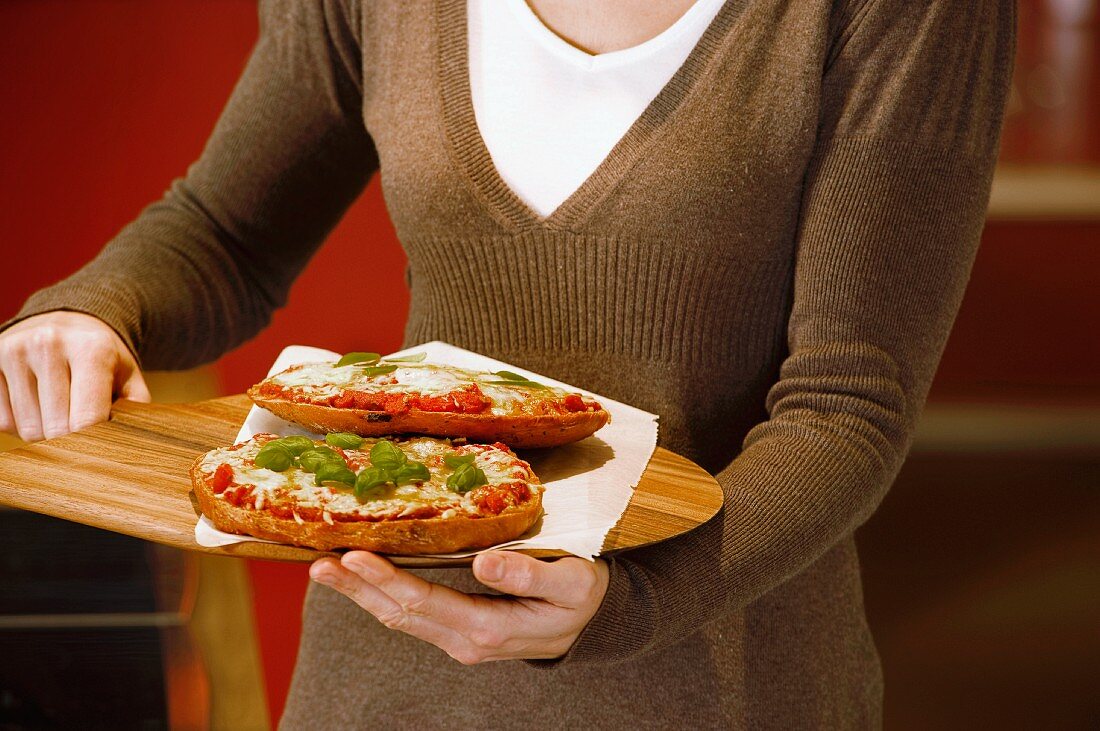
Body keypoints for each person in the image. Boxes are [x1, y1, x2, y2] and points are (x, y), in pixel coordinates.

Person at [0, 0, 1014, 726]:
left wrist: (635, 602)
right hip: (385, 669)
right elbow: (225, 231)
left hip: (711, 670)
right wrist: (95, 309)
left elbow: (845, 404)